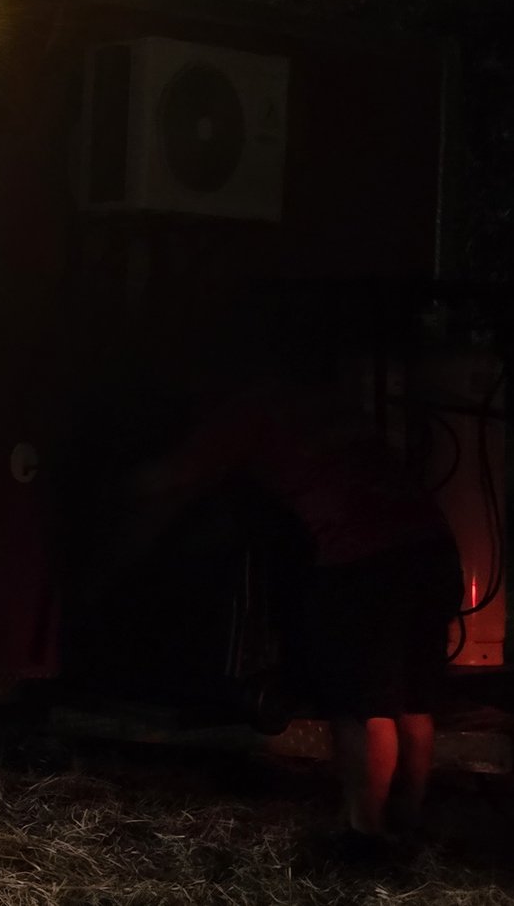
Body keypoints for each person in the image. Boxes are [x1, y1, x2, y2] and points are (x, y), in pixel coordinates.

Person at [133, 355, 459, 854]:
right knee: (413, 699)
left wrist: (111, 485)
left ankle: (364, 837)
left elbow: (171, 476)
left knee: (361, 707)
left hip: (364, 558)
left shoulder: (246, 412)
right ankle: (408, 820)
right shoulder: (319, 404)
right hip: (432, 548)